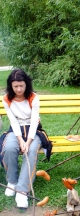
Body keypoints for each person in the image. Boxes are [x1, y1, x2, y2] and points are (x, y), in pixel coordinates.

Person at [0, 69, 42, 208]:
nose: (19, 89)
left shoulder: (33, 97)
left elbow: (35, 120)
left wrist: (28, 141)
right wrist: (20, 140)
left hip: (33, 129)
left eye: (21, 86)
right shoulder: (6, 99)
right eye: (15, 86)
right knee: (10, 148)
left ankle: (22, 190)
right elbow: (13, 121)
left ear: (26, 84)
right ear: (11, 86)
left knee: (31, 149)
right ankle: (12, 181)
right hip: (16, 130)